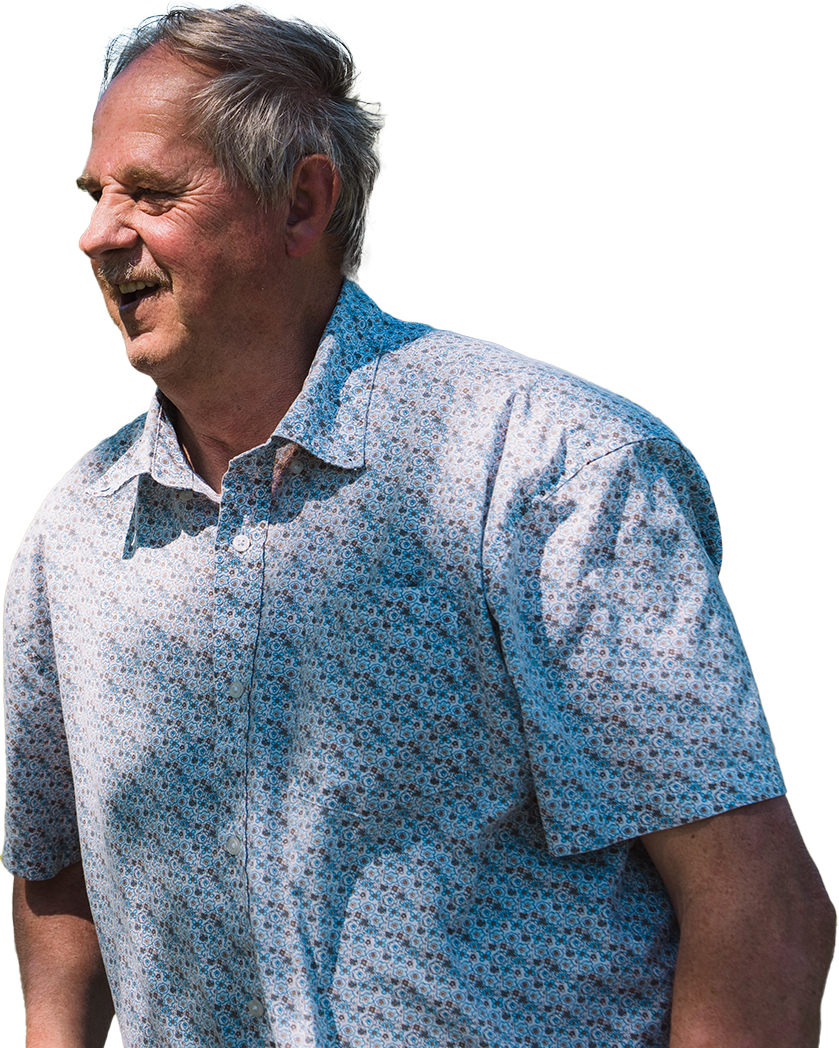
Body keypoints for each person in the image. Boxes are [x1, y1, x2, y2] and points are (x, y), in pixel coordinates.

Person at [3, 2, 835, 1046]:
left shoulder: (546, 471)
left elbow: (757, 909)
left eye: (152, 193)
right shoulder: (77, 536)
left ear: (303, 202)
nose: (95, 235)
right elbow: (60, 879)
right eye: (96, 196)